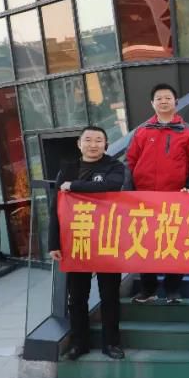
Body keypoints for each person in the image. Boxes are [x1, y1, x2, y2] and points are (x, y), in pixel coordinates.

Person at [48, 126, 127, 361]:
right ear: (79, 144)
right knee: (77, 297)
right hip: (77, 240)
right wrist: (54, 243)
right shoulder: (67, 169)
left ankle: (111, 343)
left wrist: (74, 186)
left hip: (106, 240)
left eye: (99, 140)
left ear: (106, 144)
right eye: (88, 140)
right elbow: (56, 208)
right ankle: (79, 344)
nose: (93, 144)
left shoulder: (114, 166)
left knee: (110, 295)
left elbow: (108, 187)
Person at [126, 82, 189, 305]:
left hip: (175, 199)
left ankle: (172, 289)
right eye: (159, 98)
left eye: (167, 97)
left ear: (175, 102)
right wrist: (129, 193)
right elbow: (129, 162)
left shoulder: (187, 131)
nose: (163, 101)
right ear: (152, 103)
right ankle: (148, 289)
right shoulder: (141, 131)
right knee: (144, 244)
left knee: (175, 244)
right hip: (144, 200)